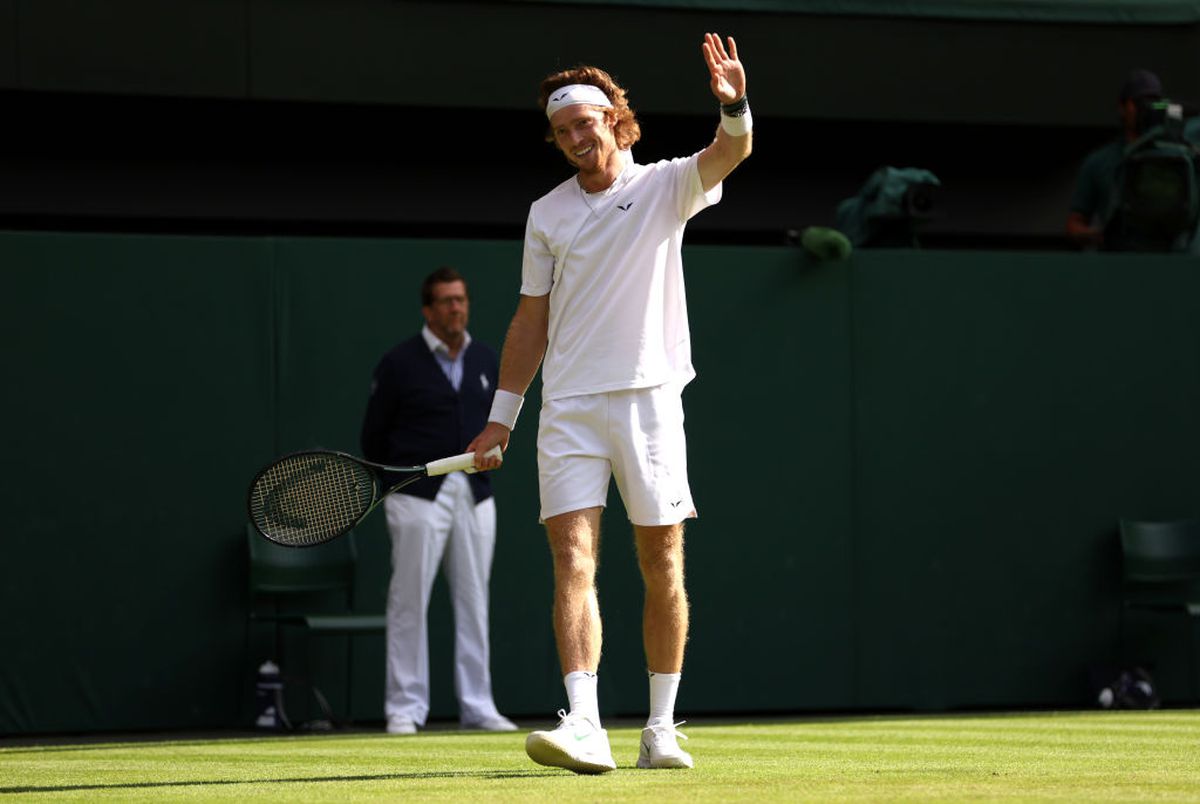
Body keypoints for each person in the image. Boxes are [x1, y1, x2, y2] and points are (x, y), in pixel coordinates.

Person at [466, 32, 752, 773]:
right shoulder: (547, 213)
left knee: (662, 562)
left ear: (614, 120)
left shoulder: (664, 184)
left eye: (584, 125)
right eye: (561, 132)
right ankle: (584, 722)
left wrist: (735, 108)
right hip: (567, 409)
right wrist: (503, 414)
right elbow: (531, 319)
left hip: (650, 401)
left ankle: (660, 727)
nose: (574, 140)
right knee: (572, 559)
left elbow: (730, 155)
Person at [360, 266, 516, 736]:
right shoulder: (398, 364)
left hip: (475, 494)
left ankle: (478, 704)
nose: (456, 308)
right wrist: (398, 485)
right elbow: (374, 438)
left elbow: (499, 432)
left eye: (462, 299)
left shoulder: (488, 360)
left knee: (474, 599)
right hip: (415, 497)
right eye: (447, 301)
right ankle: (404, 708)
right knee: (409, 599)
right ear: (429, 310)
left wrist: (494, 455)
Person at [1066, 68, 1164, 249]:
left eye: (1153, 103)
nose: (1146, 110)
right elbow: (1074, 223)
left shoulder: (1174, 158)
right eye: (1139, 103)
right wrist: (1096, 235)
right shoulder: (1099, 161)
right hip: (1118, 258)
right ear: (1122, 107)